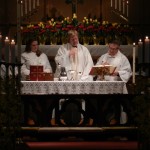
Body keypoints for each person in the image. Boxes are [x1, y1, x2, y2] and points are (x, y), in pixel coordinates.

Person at [54, 29, 94, 126]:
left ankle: (83, 118)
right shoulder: (63, 48)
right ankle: (60, 118)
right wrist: (68, 54)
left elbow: (89, 64)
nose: (75, 41)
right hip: (66, 79)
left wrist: (84, 78)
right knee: (62, 98)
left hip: (81, 79)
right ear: (68, 39)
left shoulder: (84, 49)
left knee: (83, 98)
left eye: (76, 38)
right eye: (72, 39)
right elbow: (58, 61)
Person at [96, 39, 132, 125]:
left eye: (114, 49)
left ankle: (114, 121)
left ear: (118, 48)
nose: (111, 50)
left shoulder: (123, 58)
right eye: (110, 48)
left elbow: (128, 72)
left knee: (114, 104)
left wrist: (118, 73)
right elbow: (95, 69)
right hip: (103, 86)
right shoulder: (103, 56)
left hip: (116, 87)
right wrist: (101, 67)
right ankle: (101, 121)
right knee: (100, 103)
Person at [21, 39, 53, 126]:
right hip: (31, 82)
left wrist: (41, 72)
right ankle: (36, 117)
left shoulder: (43, 55)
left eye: (37, 45)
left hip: (43, 83)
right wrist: (33, 73)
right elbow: (22, 69)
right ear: (29, 46)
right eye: (33, 45)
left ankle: (46, 118)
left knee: (49, 99)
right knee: (33, 100)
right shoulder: (24, 55)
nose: (35, 47)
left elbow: (49, 69)